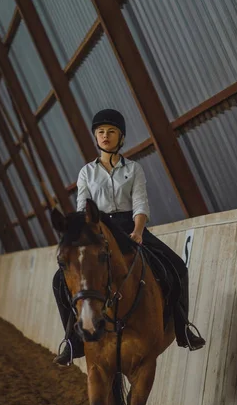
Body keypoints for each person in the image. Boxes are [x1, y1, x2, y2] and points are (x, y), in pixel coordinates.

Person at [52, 109, 205, 366]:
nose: (105, 136)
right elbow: (82, 209)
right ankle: (72, 340)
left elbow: (140, 204)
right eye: (100, 132)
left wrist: (137, 230)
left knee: (177, 266)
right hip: (98, 228)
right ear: (95, 137)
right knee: (59, 281)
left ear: (120, 137)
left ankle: (182, 329)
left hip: (130, 227)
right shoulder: (86, 173)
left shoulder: (134, 169)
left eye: (111, 132)